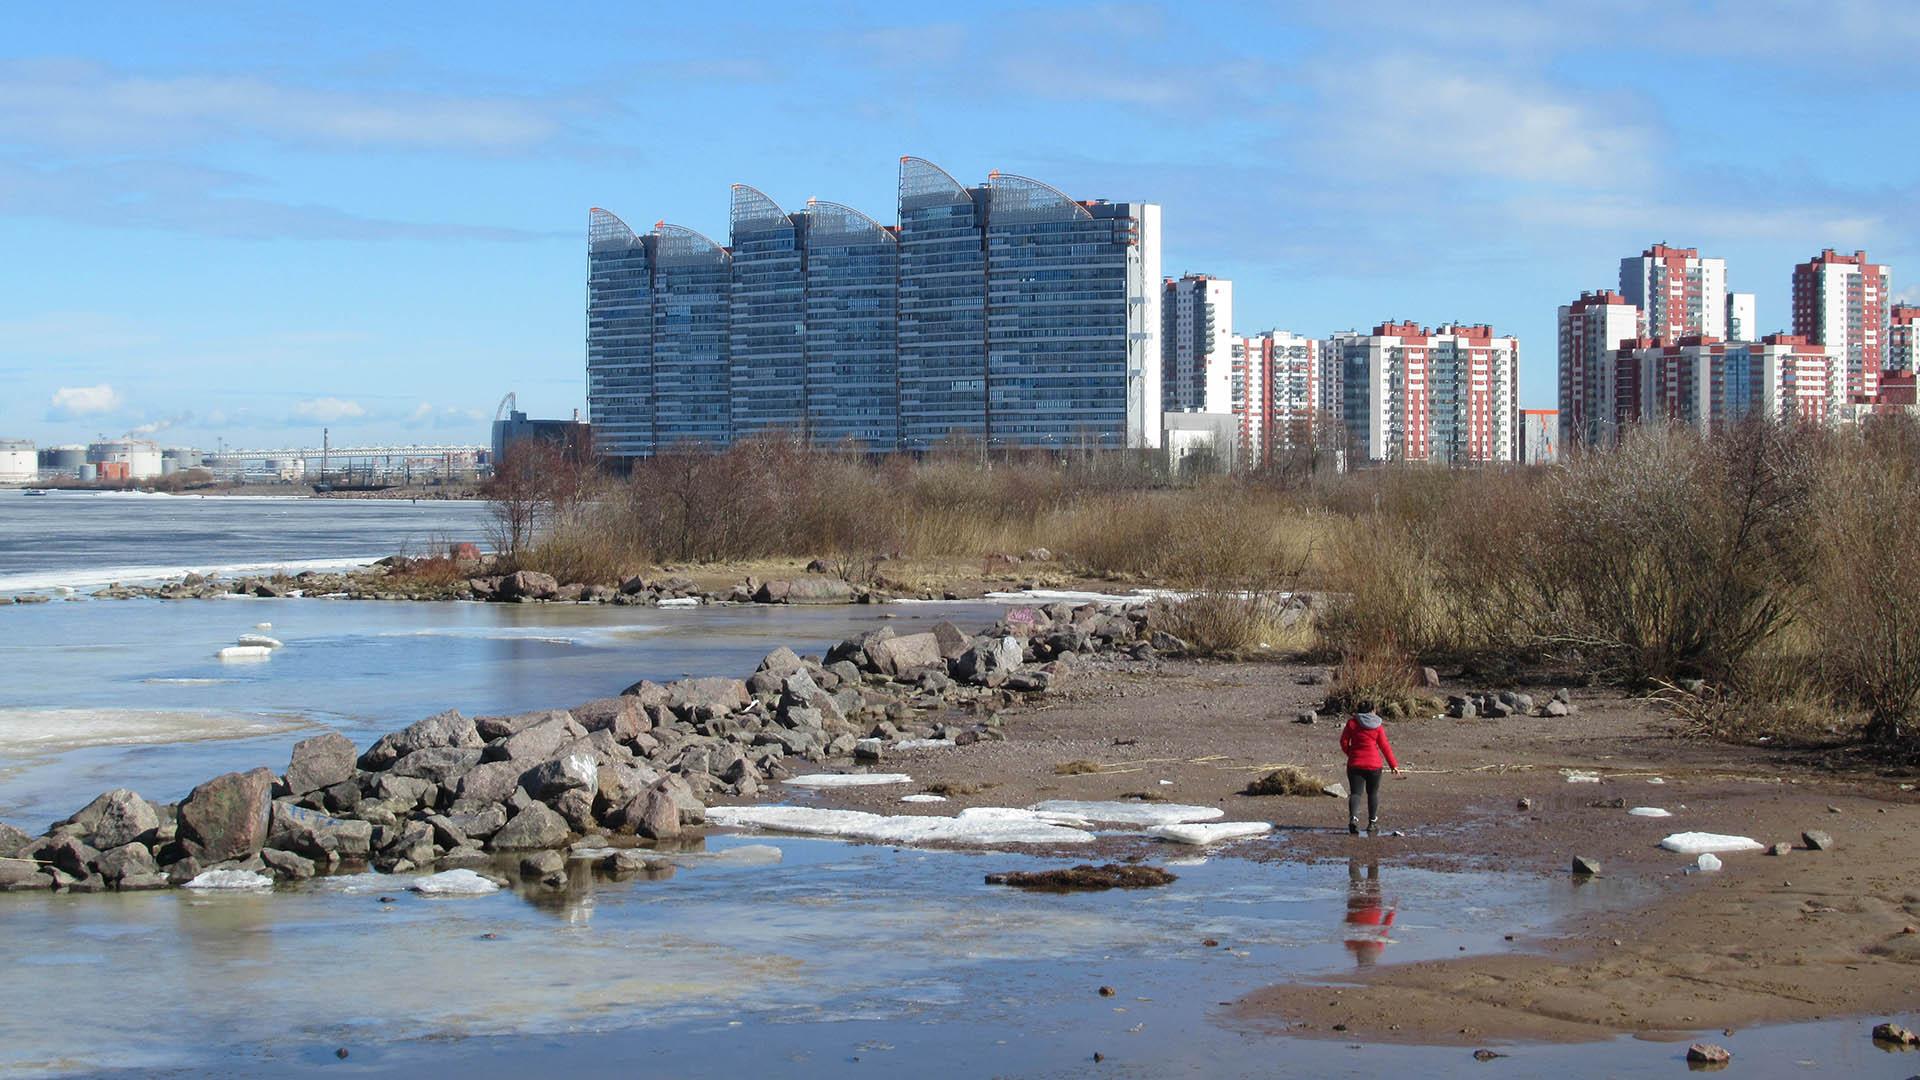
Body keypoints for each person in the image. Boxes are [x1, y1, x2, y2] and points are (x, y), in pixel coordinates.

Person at [1339, 702, 1400, 836]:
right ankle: (1372, 823)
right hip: (1374, 766)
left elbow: (1343, 742)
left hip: (1355, 764)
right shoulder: (1377, 726)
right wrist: (1393, 765)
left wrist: (1351, 753)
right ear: (1372, 710)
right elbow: (1385, 746)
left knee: (1355, 793)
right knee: (1372, 793)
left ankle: (1353, 819)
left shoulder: (1352, 723)